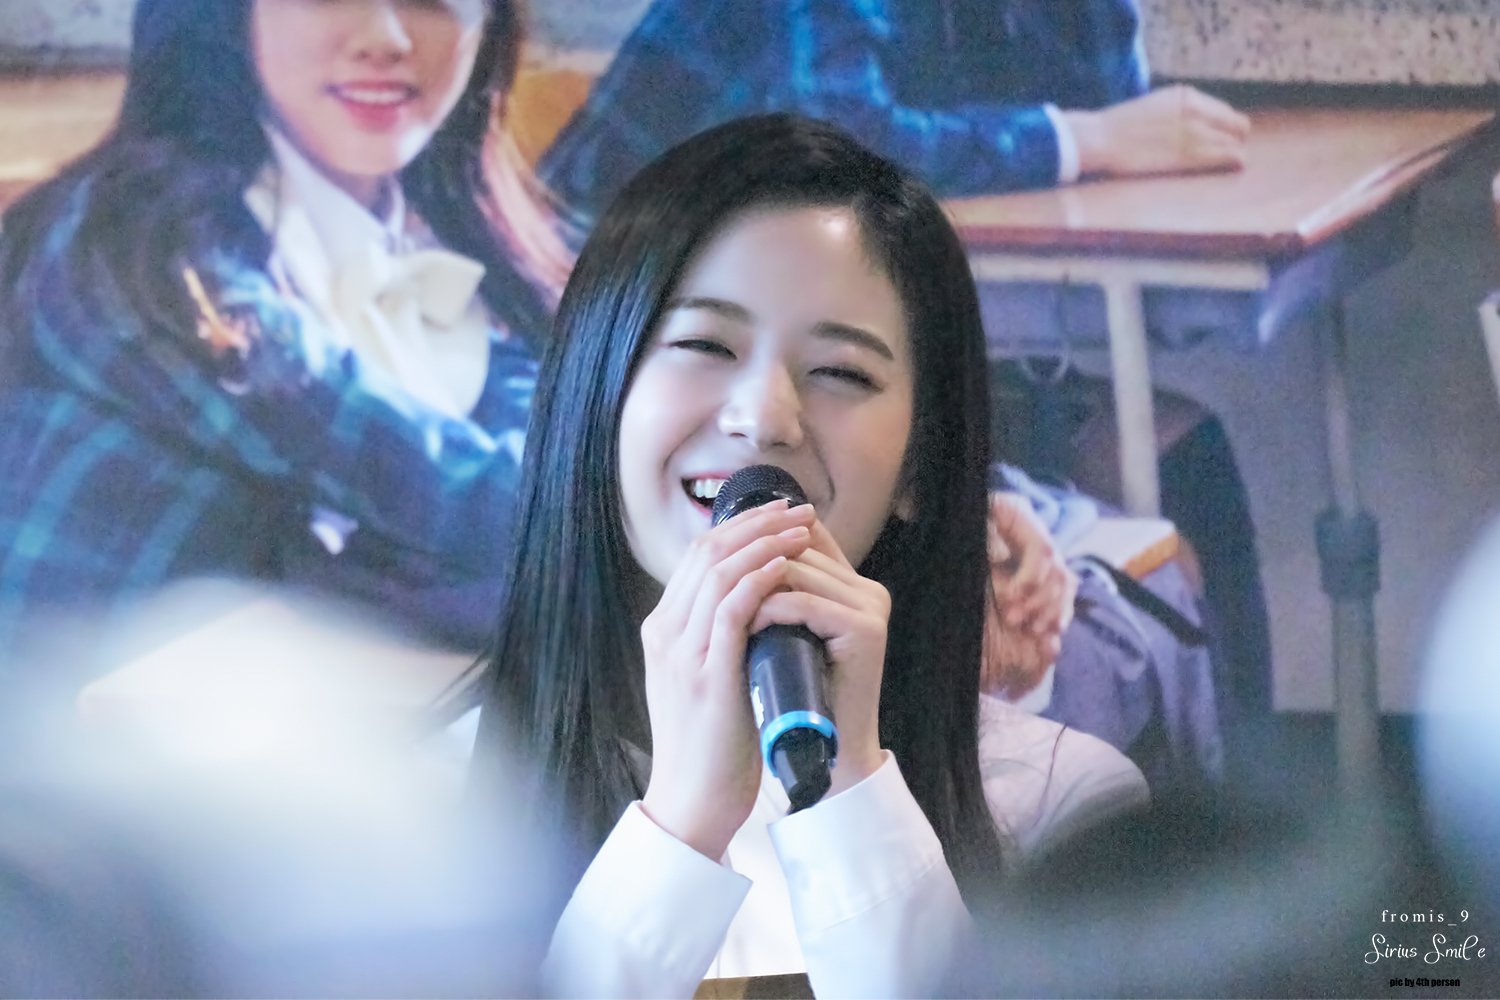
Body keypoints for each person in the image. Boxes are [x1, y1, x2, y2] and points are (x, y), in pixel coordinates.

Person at [471, 113, 1148, 997]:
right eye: (704, 346)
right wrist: (679, 827)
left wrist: (849, 792)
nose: (764, 417)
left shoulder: (1057, 806)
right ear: (595, 399)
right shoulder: (410, 812)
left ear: (919, 467)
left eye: (841, 372)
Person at [0, 0, 570, 674]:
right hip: (66, 726)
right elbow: (461, 499)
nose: (385, 38)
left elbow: (551, 454)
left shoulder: (451, 241)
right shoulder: (133, 243)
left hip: (302, 715)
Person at [537, 0, 1251, 227]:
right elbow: (840, 142)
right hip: (605, 331)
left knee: (1179, 449)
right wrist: (1082, 139)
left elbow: (1110, 101)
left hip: (788, 310)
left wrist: (1093, 130)